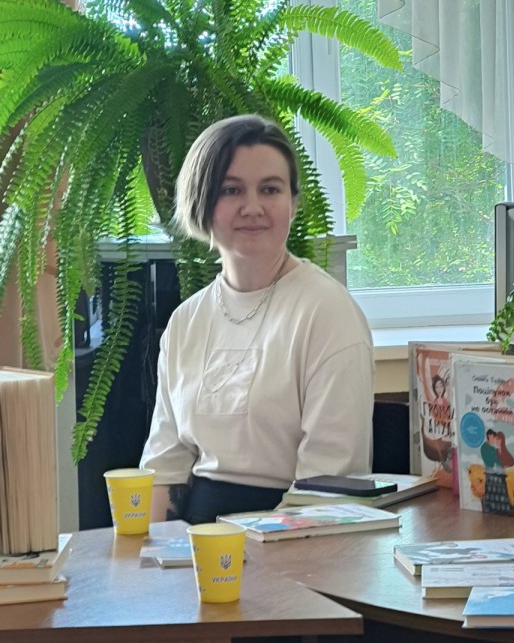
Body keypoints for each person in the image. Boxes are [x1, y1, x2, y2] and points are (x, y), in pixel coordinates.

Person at [140, 114, 374, 524]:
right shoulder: (185, 322)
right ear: (201, 201)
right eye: (231, 190)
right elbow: (165, 469)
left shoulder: (327, 313)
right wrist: (147, 552)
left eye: (270, 189)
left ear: (293, 203)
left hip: (296, 536)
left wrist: (244, 550)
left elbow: (327, 483)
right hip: (193, 542)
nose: (253, 207)